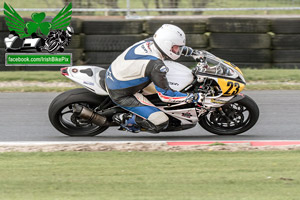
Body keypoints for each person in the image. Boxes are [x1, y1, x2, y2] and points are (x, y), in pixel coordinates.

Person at [105, 24, 204, 133]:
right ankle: (126, 119)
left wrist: (193, 52)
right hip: (122, 93)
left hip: (116, 73)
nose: (178, 50)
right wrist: (192, 97)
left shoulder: (151, 42)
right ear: (166, 44)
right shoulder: (156, 65)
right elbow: (166, 95)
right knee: (161, 122)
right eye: (176, 47)